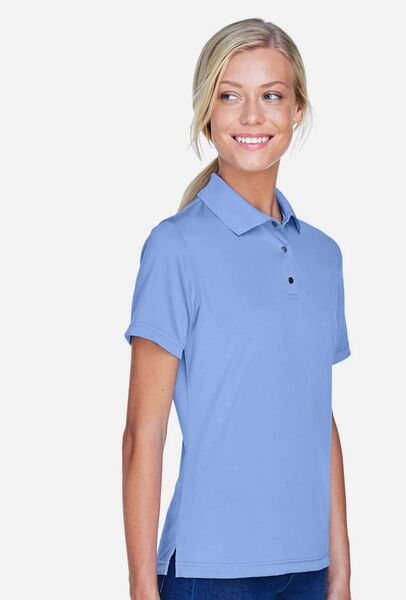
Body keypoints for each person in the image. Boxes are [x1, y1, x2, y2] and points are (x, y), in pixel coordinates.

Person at [122, 17, 352, 600]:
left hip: (309, 569)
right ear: (207, 112)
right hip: (210, 572)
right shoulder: (175, 246)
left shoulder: (323, 255)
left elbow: (317, 416)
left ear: (297, 110)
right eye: (230, 96)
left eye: (271, 95)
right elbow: (144, 432)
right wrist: (142, 588)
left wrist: (341, 572)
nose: (252, 116)